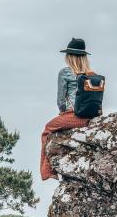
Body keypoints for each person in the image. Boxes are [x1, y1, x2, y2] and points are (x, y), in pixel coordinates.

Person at [40, 38, 94, 181]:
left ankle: (48, 172)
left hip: (75, 116)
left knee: (47, 129)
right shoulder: (93, 75)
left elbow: (61, 100)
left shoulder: (65, 72)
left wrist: (62, 112)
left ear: (69, 56)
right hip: (93, 117)